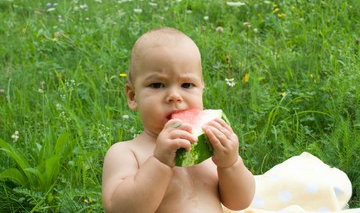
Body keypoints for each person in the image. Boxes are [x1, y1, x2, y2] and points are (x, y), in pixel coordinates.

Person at [102, 27, 255, 213]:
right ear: (133, 96)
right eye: (157, 85)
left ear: (202, 89)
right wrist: (159, 162)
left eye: (187, 85)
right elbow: (120, 209)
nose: (174, 96)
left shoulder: (208, 148)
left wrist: (230, 164)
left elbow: (240, 202)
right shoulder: (126, 153)